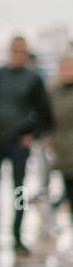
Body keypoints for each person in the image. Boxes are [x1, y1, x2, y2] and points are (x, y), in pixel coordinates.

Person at [0, 35, 53, 253]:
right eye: (14, 51)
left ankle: (17, 236)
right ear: (9, 51)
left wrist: (32, 135)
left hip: (19, 142)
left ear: (26, 53)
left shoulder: (33, 79)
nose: (17, 55)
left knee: (19, 191)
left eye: (21, 51)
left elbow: (44, 113)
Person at [46, 53, 73, 222]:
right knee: (69, 191)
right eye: (65, 68)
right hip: (62, 149)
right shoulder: (53, 92)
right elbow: (47, 118)